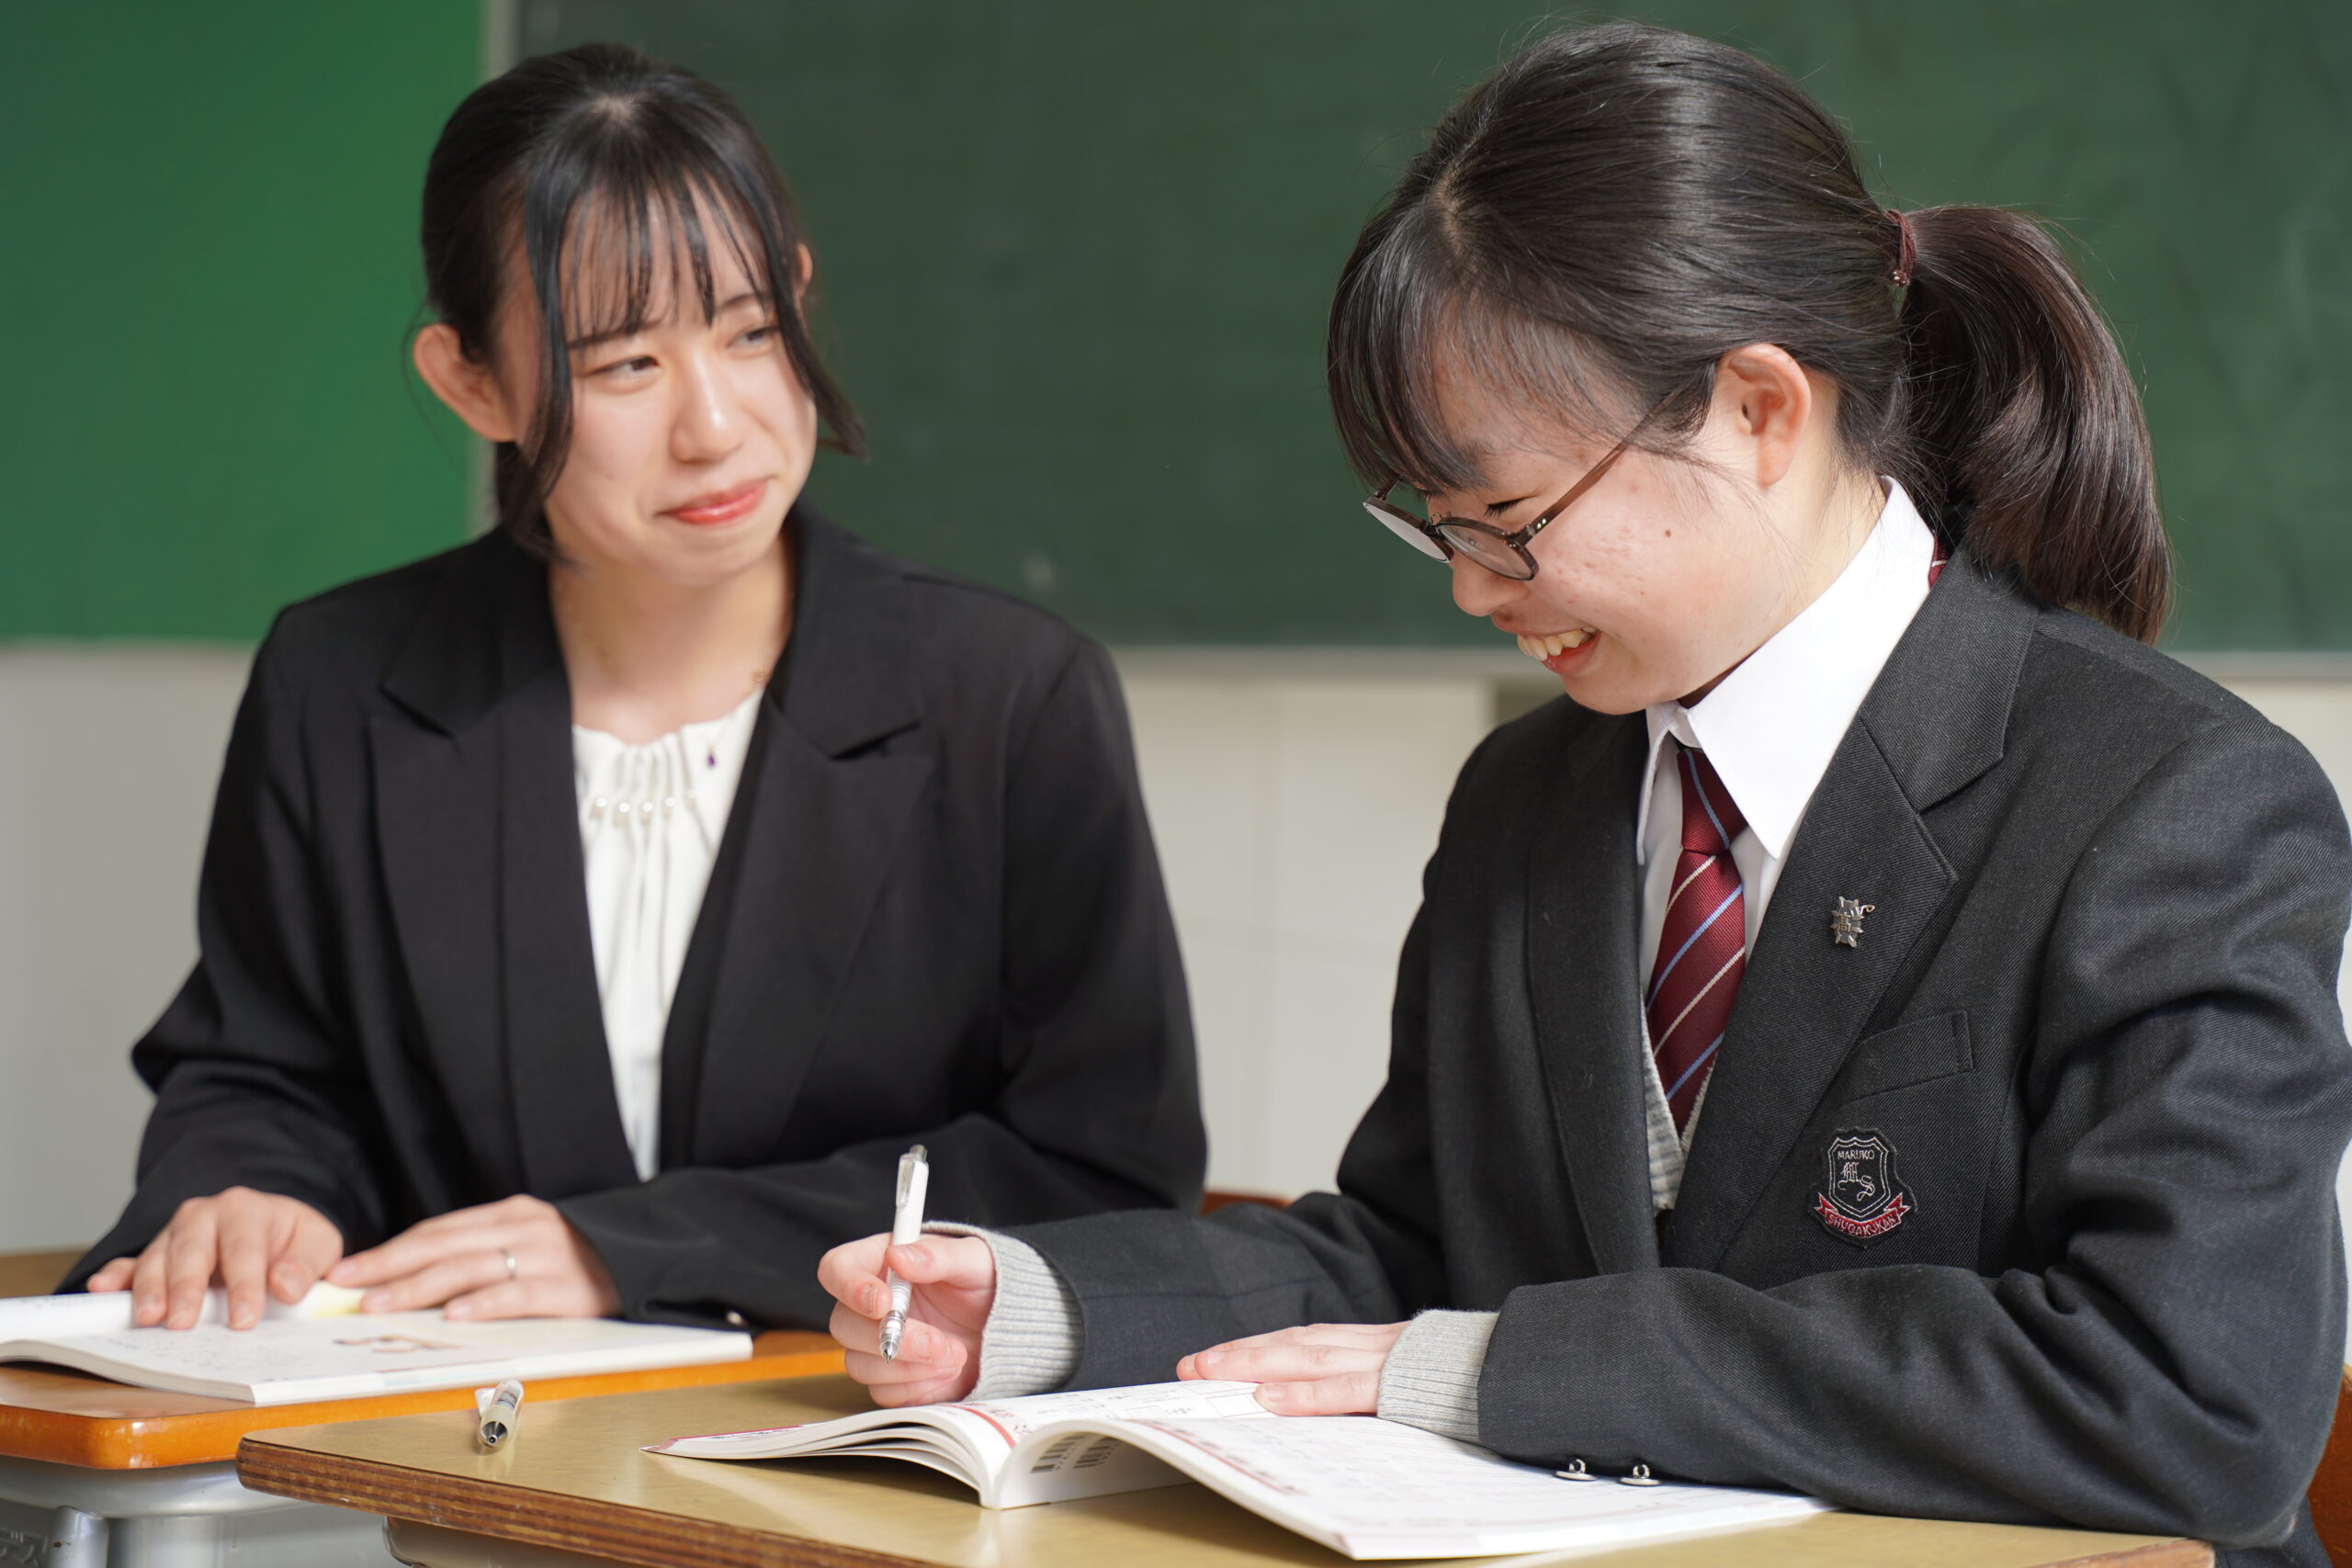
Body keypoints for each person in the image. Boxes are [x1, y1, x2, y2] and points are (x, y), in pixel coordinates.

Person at [819, 23, 2352, 1567]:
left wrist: (1506, 1372)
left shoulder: (2174, 804)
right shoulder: (1529, 797)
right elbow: (1412, 1254)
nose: (1475, 590)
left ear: (1759, 409)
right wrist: (1044, 1311)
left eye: (1511, 517)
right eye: (1439, 529)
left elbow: (2195, 1398)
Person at [68, 42, 1204, 1334]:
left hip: (845, 1428)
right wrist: (248, 1192)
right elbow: (265, 1071)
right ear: (472, 381)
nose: (714, 426)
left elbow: (1103, 1167)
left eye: (751, 332)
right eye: (625, 365)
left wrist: (634, 1251)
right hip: (445, 1434)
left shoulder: (1008, 698)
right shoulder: (340, 682)